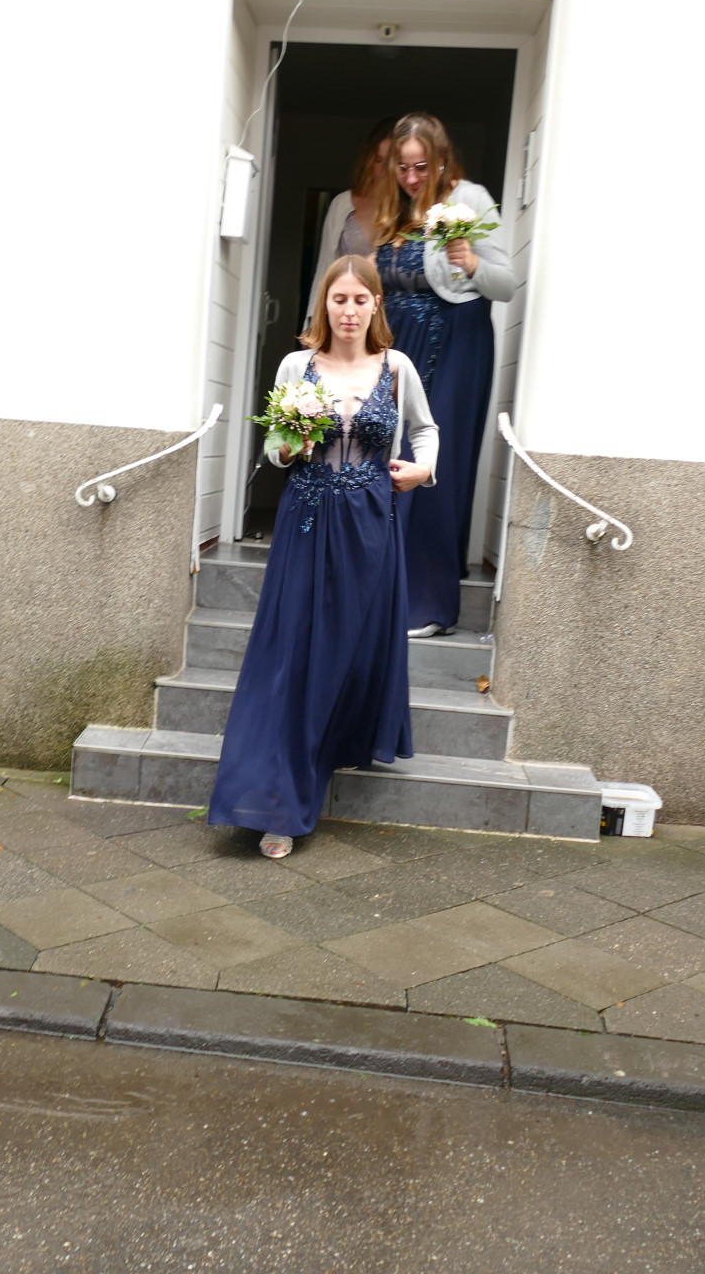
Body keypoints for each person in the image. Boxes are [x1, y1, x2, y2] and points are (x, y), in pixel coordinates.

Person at [207, 255, 438, 859]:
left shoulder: (397, 367)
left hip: (371, 522)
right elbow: (274, 445)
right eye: (340, 299)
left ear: (376, 304)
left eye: (361, 300)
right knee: (293, 652)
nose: (349, 311)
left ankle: (333, 743)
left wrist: (424, 470)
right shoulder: (297, 365)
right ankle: (279, 803)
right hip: (305, 518)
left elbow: (425, 430)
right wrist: (288, 450)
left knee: (350, 648)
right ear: (325, 304)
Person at [371, 113, 515, 637]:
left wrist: (470, 261)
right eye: (402, 167)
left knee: (434, 458)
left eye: (421, 166)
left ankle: (427, 603)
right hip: (399, 346)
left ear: (442, 159)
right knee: (384, 450)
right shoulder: (395, 207)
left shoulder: (471, 198)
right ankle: (382, 588)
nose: (411, 178)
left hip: (454, 341)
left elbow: (506, 284)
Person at [306, 118, 397, 311]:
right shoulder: (342, 204)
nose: (384, 169)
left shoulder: (410, 211)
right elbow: (325, 267)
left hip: (393, 315)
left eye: (391, 161)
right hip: (347, 312)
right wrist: (314, 319)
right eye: (378, 160)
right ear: (368, 161)